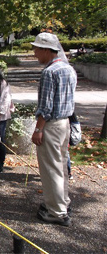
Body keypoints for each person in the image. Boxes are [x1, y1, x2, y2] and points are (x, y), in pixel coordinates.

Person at [30, 32, 77, 227]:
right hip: (64, 123)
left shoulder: (50, 72)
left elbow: (46, 106)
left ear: (46, 50)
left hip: (50, 125)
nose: (34, 53)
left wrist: (38, 129)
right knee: (61, 166)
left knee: (51, 168)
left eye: (36, 49)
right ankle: (62, 203)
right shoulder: (68, 69)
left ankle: (57, 212)